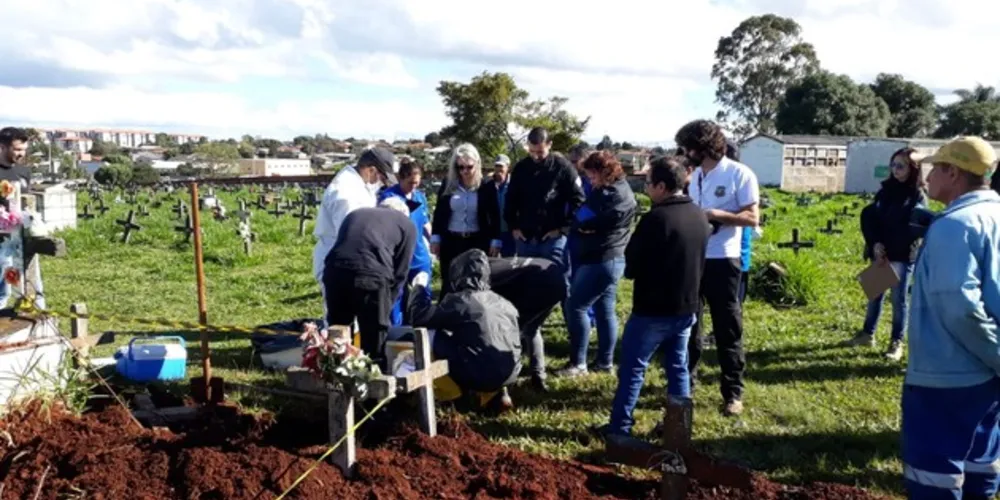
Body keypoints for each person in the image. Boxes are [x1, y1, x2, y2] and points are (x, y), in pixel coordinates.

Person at [901, 136, 1000, 500]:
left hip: (946, 377)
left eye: (933, 168)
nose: (926, 177)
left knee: (934, 478)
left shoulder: (954, 226)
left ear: (953, 172)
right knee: (981, 465)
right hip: (987, 380)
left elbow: (958, 305)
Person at [601, 156, 709, 439]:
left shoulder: (655, 220)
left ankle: (620, 429)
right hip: (687, 307)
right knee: (678, 368)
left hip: (652, 310)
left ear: (661, 186)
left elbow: (632, 267)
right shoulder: (699, 215)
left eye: (648, 183)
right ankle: (678, 430)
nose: (646, 188)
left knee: (633, 369)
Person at [678, 119, 759, 417]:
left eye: (689, 147)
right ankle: (686, 385)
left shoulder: (740, 174)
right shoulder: (695, 176)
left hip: (724, 259)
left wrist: (715, 214)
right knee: (690, 326)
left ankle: (733, 392)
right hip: (695, 259)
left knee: (728, 328)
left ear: (704, 147)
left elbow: (752, 217)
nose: (685, 153)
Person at [504, 127, 586, 391]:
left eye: (540, 151)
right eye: (532, 151)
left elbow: (578, 200)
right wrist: (513, 226)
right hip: (526, 238)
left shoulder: (562, 168)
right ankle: (528, 346)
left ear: (549, 146)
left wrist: (562, 227)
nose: (537, 156)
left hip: (553, 237)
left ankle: (575, 355)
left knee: (561, 291)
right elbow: (511, 199)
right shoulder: (521, 168)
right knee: (526, 294)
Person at [408, 249, 521, 410]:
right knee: (491, 342)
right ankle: (499, 394)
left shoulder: (461, 300)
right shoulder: (503, 302)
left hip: (478, 373)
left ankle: (452, 396)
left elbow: (419, 318)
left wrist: (418, 288)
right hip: (510, 374)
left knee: (430, 334)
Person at [558, 151, 636, 377]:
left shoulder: (609, 194)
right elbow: (581, 219)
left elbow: (582, 219)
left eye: (592, 176)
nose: (590, 181)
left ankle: (578, 363)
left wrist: (584, 226)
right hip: (612, 257)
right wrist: (583, 225)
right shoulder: (620, 189)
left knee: (576, 306)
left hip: (601, 259)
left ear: (604, 171)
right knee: (604, 310)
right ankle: (604, 362)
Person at [847, 148, 927, 360]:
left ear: (913, 169)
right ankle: (867, 334)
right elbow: (873, 219)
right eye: (893, 165)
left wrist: (890, 249)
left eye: (901, 166)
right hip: (881, 253)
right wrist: (875, 244)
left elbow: (913, 229)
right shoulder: (885, 191)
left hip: (901, 255)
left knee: (899, 300)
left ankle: (896, 342)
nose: (895, 170)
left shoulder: (917, 196)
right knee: (875, 296)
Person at [322, 197, 417, 370]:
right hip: (371, 276)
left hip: (335, 271)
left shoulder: (356, 214)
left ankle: (336, 379)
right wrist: (387, 306)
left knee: (339, 330)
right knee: (374, 335)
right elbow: (401, 273)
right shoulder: (406, 224)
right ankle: (373, 383)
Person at [313, 147, 397, 305]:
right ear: (370, 170)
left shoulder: (360, 184)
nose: (381, 183)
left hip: (354, 260)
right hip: (340, 263)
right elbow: (352, 237)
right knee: (342, 319)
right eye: (381, 177)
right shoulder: (346, 194)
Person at [430, 143, 502, 297]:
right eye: (460, 167)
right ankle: (448, 318)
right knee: (450, 283)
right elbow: (440, 212)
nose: (464, 171)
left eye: (469, 167)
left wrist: (495, 240)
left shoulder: (486, 186)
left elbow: (494, 214)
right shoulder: (448, 184)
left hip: (476, 241)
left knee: (476, 282)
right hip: (451, 240)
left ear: (477, 164)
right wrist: (435, 238)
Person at [378, 159, 432, 326]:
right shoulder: (389, 198)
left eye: (417, 183)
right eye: (410, 183)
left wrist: (434, 241)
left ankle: (422, 331)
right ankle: (397, 333)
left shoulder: (420, 197)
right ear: (400, 178)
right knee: (396, 298)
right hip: (397, 257)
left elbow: (425, 223)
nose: (413, 187)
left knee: (422, 295)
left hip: (418, 254)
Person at [0, 127, 40, 309]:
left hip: (22, 238)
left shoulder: (24, 172)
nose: (21, 154)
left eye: (24, 149)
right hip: (2, 239)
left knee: (27, 284)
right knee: (4, 290)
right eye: (17, 150)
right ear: (2, 147)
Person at [488, 155, 516, 257]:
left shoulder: (515, 185)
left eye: (501, 166)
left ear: (508, 167)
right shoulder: (489, 186)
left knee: (510, 262)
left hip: (510, 232)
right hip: (493, 232)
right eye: (496, 166)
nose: (498, 169)